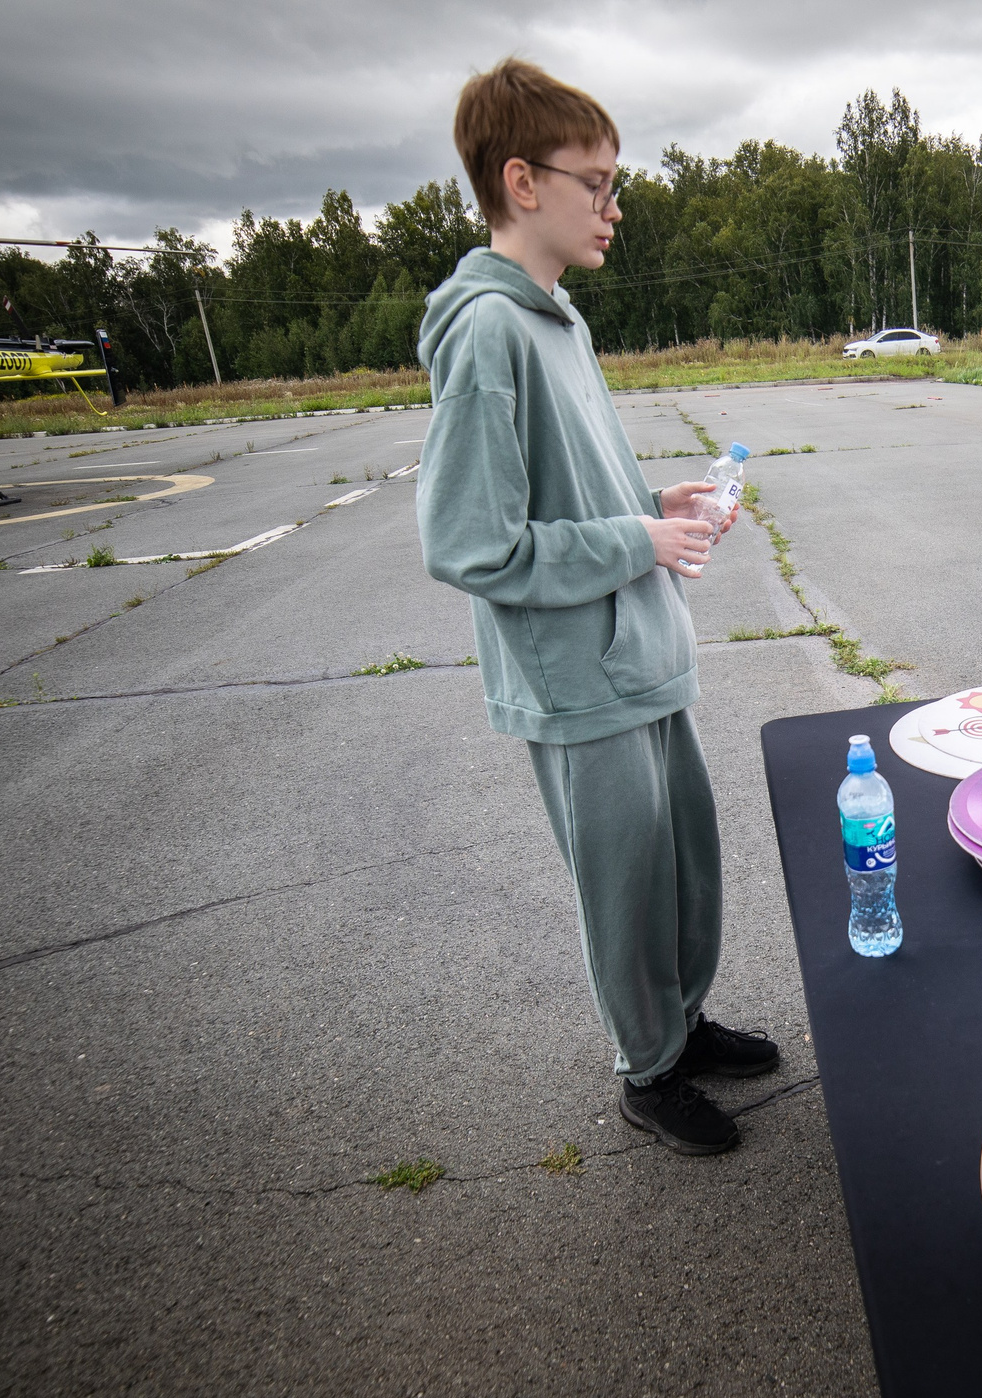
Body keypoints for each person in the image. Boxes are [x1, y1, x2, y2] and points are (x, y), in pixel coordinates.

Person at [413, 59, 777, 1157]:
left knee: (682, 865)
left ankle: (682, 1025)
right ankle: (648, 1069)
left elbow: (567, 490)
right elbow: (471, 542)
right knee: (623, 888)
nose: (613, 207)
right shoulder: (485, 331)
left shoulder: (557, 320)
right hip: (578, 673)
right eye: (598, 184)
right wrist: (634, 541)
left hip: (638, 649)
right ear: (522, 182)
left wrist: (654, 504)